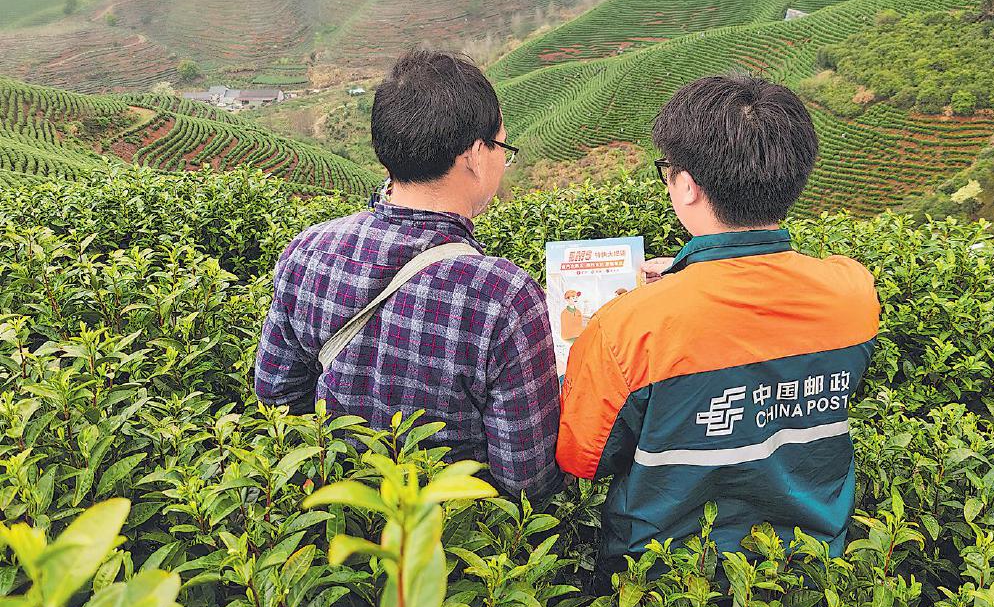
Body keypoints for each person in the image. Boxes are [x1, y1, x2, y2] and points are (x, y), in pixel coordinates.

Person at [556, 75, 880, 570]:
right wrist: (685, 275)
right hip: (809, 567)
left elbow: (583, 458)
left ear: (686, 185)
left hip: (665, 580)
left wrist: (666, 297)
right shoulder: (853, 294)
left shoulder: (626, 328)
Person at [255, 50, 562, 501]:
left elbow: (277, 399)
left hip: (340, 521)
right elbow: (527, 483)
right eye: (502, 147)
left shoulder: (307, 251)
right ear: (476, 155)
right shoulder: (505, 297)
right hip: (449, 536)